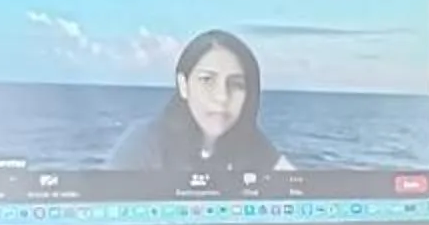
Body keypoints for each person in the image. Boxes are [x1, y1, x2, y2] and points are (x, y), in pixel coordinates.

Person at [104, 29, 295, 174]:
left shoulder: (254, 145)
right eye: (207, 80)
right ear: (183, 85)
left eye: (236, 84)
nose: (222, 96)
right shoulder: (143, 144)